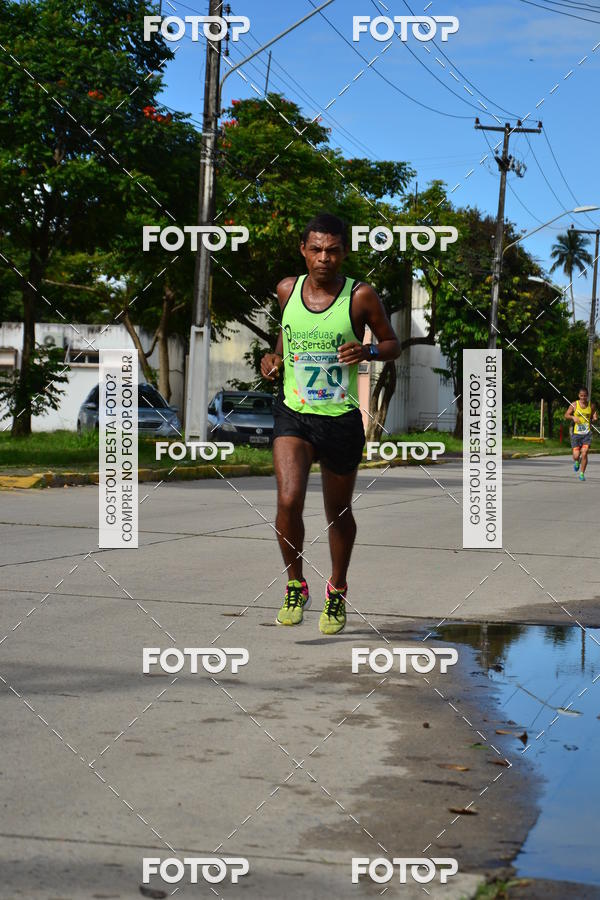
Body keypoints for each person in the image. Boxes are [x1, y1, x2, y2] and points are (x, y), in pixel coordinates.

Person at [260, 213, 400, 634]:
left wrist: (368, 353)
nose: (324, 258)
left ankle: (336, 589)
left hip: (340, 419)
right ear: (303, 250)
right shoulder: (287, 290)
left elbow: (392, 344)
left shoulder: (360, 297)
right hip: (294, 414)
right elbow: (286, 337)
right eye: (316, 249)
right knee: (288, 500)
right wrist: (274, 358)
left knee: (338, 512)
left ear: (344, 252)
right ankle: (295, 584)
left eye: (333, 250)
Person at [565, 387, 597, 481]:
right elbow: (566, 415)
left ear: (587, 396)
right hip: (576, 433)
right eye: (581, 396)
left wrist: (594, 418)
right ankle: (577, 461)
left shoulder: (591, 406)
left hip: (587, 434)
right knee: (576, 455)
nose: (583, 398)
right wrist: (572, 417)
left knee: (584, 453)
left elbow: (593, 415)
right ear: (579, 396)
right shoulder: (574, 405)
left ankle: (582, 473)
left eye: (585, 396)